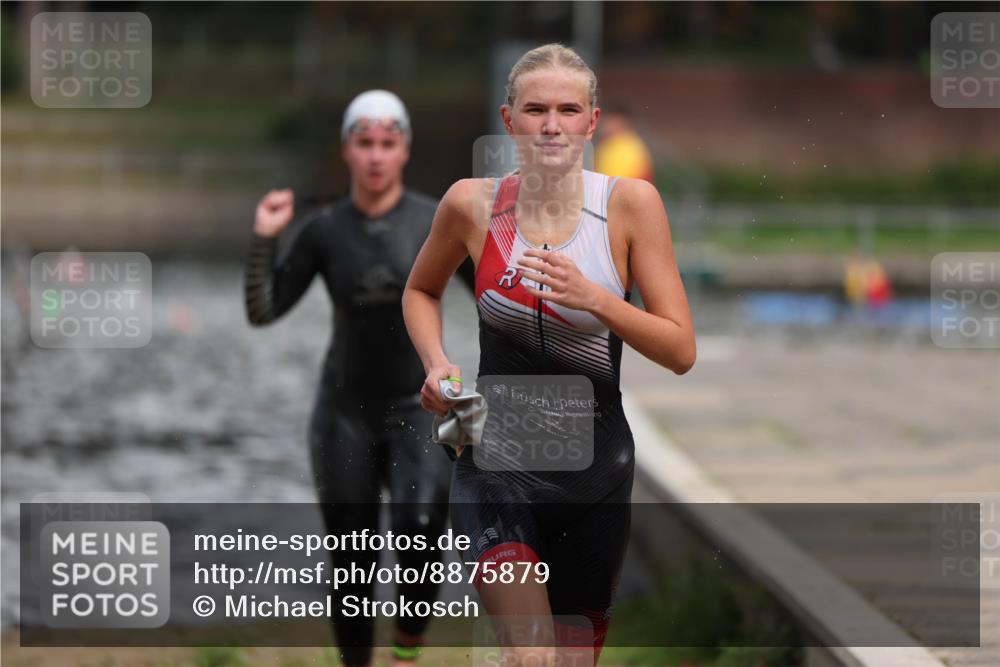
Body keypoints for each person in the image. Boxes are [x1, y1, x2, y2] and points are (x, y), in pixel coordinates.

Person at [402, 44, 696, 666]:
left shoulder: (630, 206)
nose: (552, 126)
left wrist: (598, 299)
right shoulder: (472, 206)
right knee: (531, 656)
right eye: (536, 110)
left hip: (597, 467)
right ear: (509, 120)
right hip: (494, 458)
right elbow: (421, 289)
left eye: (568, 110)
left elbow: (680, 349)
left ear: (593, 121)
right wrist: (435, 362)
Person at [244, 89, 473, 667]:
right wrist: (266, 238)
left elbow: (495, 303)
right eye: (364, 143)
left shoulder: (435, 221)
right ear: (346, 150)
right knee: (351, 559)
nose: (375, 156)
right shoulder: (324, 231)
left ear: (405, 151)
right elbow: (264, 310)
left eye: (387, 144)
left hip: (417, 407)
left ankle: (406, 653)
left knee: (422, 533)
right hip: (343, 411)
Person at [594, 104, 655, 183]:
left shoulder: (626, 147)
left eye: (607, 121)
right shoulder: (609, 144)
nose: (600, 125)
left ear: (621, 122)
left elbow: (612, 183)